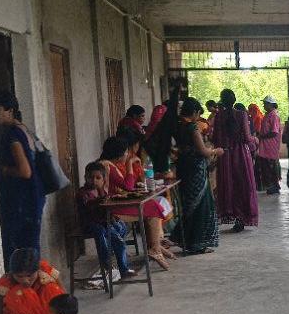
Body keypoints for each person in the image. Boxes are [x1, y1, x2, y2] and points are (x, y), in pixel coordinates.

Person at [98, 136, 174, 269]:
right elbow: (128, 186)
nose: (127, 155)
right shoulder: (107, 165)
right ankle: (155, 248)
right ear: (120, 153)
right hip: (110, 208)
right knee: (153, 207)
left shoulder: (105, 163)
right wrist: (129, 164)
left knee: (151, 206)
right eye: (126, 152)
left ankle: (155, 245)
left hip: (112, 204)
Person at [0, 91, 45, 267]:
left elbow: (25, 171)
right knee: (30, 248)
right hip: (33, 197)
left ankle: (33, 282)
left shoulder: (13, 136)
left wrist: (2, 169)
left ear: (10, 110)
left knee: (23, 252)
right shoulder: (23, 129)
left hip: (23, 201)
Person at [175, 98, 224, 254]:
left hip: (183, 167)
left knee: (188, 204)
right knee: (202, 205)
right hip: (195, 170)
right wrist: (216, 151)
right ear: (195, 112)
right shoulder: (192, 128)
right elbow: (202, 151)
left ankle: (187, 241)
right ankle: (198, 243)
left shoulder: (178, 126)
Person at [76, 162, 136, 280]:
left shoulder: (102, 191)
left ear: (103, 180)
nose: (94, 180)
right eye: (90, 177)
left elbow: (106, 209)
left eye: (98, 178)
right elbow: (89, 205)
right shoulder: (82, 193)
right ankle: (106, 262)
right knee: (101, 231)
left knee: (119, 234)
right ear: (85, 177)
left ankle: (123, 269)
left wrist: (113, 216)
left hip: (103, 222)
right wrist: (102, 200)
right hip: (89, 224)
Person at [211, 89, 259, 232]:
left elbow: (215, 138)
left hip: (225, 156)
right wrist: (255, 140)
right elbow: (247, 137)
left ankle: (232, 213)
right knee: (243, 185)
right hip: (241, 155)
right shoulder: (242, 114)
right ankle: (242, 218)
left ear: (222, 100)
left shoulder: (218, 116)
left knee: (229, 186)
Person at [255, 96, 283, 195]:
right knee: (266, 167)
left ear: (271, 105)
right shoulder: (268, 115)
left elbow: (274, 132)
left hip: (271, 146)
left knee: (271, 167)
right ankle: (271, 185)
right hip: (265, 146)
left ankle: (274, 186)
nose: (264, 106)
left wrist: (262, 136)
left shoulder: (274, 115)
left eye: (265, 104)